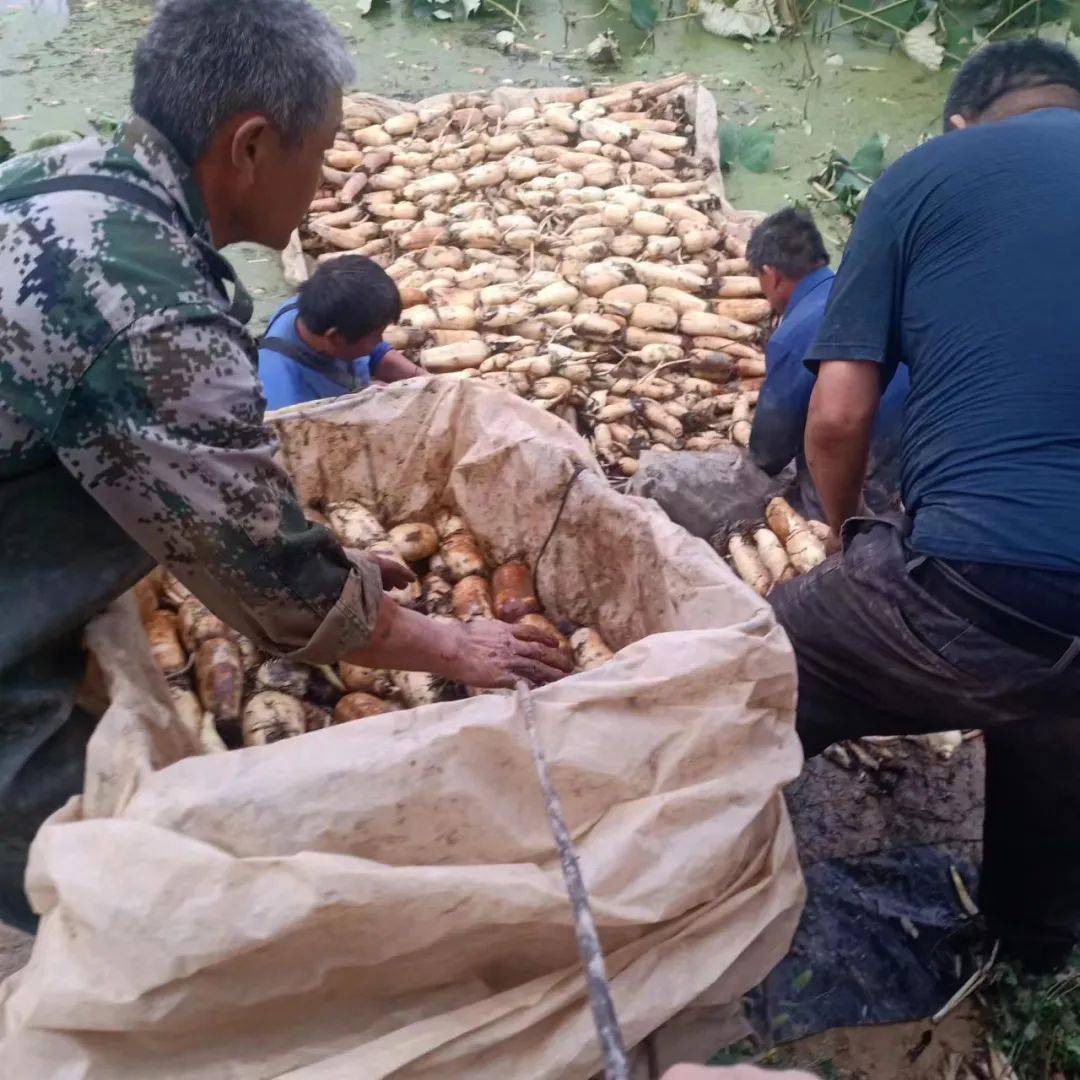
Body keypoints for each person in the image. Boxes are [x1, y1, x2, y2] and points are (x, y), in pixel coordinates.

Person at [0, 0, 568, 933]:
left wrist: (334, 564)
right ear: (253, 146)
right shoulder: (156, 315)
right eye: (323, 147)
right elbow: (279, 588)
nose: (326, 175)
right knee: (114, 905)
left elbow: (175, 477)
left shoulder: (67, 173)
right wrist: (453, 644)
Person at [770, 38, 1080, 969]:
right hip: (1047, 597)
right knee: (1054, 692)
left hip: (992, 579)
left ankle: (677, 909)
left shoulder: (926, 174)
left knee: (749, 674)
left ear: (961, 119)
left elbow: (835, 416)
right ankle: (1033, 948)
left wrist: (843, 538)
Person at [746, 207, 908, 520]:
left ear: (772, 274)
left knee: (803, 494)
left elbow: (770, 452)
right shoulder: (867, 295)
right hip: (919, 451)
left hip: (870, 471)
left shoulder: (793, 334)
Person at [259, 255, 424, 411]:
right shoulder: (286, 400)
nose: (380, 341)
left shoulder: (321, 306)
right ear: (335, 337)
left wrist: (427, 381)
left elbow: (376, 353)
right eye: (375, 336)